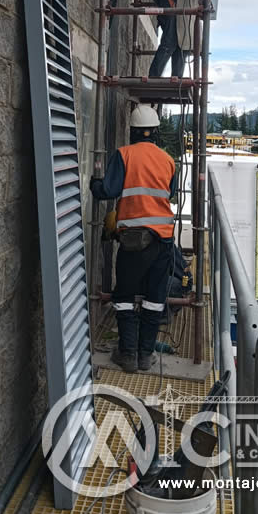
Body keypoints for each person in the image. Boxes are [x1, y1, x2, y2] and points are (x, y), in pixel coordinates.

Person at [90, 105, 177, 373]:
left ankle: (128, 354)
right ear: (156, 132)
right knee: (154, 299)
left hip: (135, 241)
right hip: (163, 241)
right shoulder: (168, 160)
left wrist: (94, 183)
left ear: (132, 131)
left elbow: (109, 190)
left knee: (124, 296)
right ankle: (145, 356)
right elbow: (171, 193)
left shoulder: (124, 155)